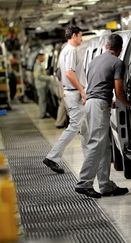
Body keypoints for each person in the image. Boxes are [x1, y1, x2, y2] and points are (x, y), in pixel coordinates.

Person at [75, 34, 129, 198]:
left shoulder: (94, 61)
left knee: (104, 147)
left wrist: (108, 99)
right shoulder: (118, 63)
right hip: (99, 105)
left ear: (106, 46)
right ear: (119, 49)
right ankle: (84, 182)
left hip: (91, 103)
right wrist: (127, 104)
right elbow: (118, 90)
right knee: (97, 144)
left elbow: (96, 85)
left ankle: (105, 186)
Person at [43, 26, 86, 174]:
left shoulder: (65, 50)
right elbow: (69, 73)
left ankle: (88, 158)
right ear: (74, 36)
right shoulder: (71, 50)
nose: (82, 39)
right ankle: (52, 157)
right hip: (74, 94)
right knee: (74, 126)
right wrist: (81, 89)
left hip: (70, 93)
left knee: (82, 127)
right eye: (81, 36)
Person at [33, 53, 51, 118]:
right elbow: (39, 76)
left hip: (41, 85)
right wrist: (49, 78)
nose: (44, 58)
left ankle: (43, 113)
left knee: (42, 100)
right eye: (43, 57)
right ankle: (42, 114)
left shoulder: (39, 64)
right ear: (39, 57)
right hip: (41, 85)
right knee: (42, 100)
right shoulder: (38, 65)